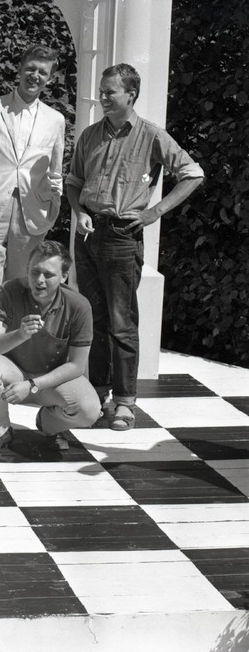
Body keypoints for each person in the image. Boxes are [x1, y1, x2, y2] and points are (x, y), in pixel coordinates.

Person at [67, 63, 204, 431]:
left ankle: (125, 402)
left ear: (131, 94)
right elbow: (74, 182)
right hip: (88, 234)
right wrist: (79, 212)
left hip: (122, 237)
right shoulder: (90, 135)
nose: (103, 97)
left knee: (122, 323)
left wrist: (153, 212)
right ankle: (98, 394)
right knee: (94, 319)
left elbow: (193, 174)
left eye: (110, 92)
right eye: (102, 91)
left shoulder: (152, 136)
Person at [0, 45, 65, 322]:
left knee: (24, 281)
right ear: (19, 70)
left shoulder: (55, 120)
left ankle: (14, 341)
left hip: (32, 211)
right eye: (30, 68)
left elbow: (55, 172)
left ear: (49, 79)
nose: (35, 76)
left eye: (43, 72)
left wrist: (53, 206)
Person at [0, 240, 101, 457]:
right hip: (13, 373)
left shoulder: (79, 305)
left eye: (48, 275)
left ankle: (48, 424)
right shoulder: (9, 291)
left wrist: (32, 385)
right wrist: (20, 334)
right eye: (34, 272)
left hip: (52, 380)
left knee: (90, 410)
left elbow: (77, 366)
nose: (39, 280)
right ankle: (0, 434)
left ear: (64, 276)